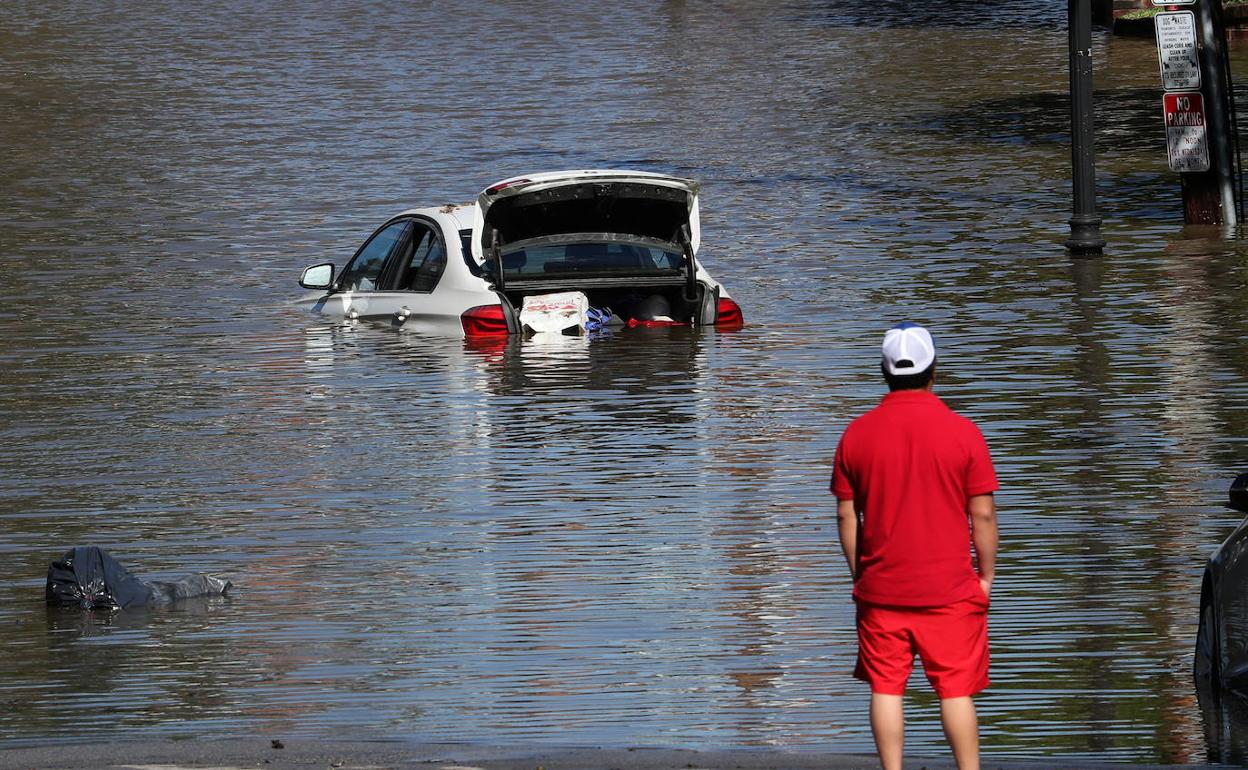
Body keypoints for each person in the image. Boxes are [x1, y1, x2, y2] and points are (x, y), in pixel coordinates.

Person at [830, 322, 998, 770]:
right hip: (950, 588)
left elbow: (848, 516)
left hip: (881, 587)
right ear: (933, 371)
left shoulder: (856, 435)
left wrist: (859, 573)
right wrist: (985, 577)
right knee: (954, 690)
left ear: (884, 374)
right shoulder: (964, 433)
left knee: (886, 687)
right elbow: (982, 514)